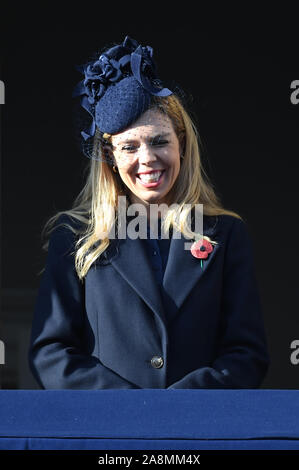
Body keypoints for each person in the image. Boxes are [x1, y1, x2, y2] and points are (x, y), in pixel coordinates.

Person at [28, 36, 270, 389]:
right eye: (129, 147)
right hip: (108, 431)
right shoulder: (76, 235)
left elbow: (246, 353)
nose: (147, 160)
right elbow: (51, 352)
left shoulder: (225, 233)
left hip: (197, 431)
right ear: (110, 158)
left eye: (159, 141)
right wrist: (133, 410)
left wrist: (177, 408)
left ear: (182, 144)